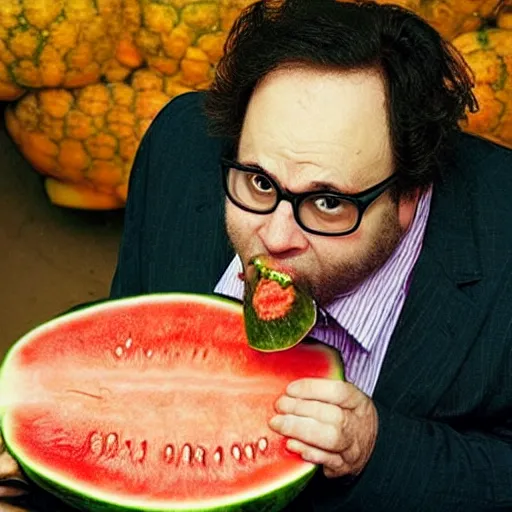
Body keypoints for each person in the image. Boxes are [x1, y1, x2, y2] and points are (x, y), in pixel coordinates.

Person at [2, 0, 512, 510]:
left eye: (328, 202)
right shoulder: (182, 147)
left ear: (408, 197)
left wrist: (376, 448)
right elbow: (134, 351)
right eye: (261, 182)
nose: (275, 235)